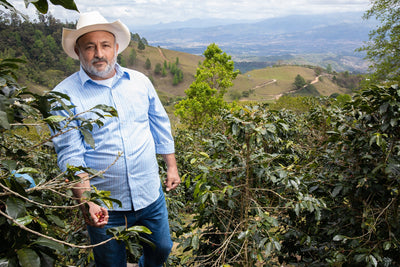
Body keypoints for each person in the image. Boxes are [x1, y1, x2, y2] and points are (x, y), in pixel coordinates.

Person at [50, 11, 181, 267]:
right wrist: (87, 201)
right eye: (90, 47)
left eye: (105, 45)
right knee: (110, 262)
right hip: (104, 206)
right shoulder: (63, 96)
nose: (99, 53)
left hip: (149, 194)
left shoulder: (140, 82)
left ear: (116, 48)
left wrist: (172, 166)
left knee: (162, 247)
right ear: (78, 52)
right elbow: (70, 155)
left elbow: (159, 124)